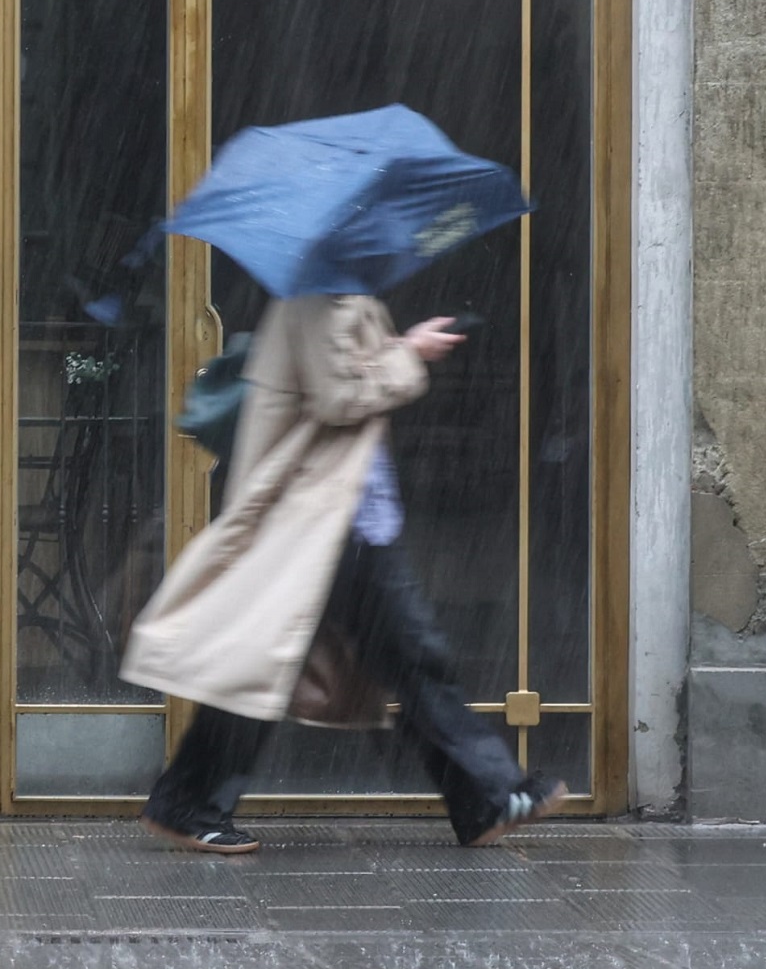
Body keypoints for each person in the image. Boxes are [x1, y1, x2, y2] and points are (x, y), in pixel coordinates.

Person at [121, 293, 566, 852]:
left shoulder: (339, 294)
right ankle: (488, 794)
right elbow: (338, 397)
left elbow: (346, 378)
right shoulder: (316, 299)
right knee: (407, 659)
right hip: (328, 525)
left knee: (283, 665)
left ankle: (186, 800)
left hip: (348, 519)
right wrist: (411, 353)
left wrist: (402, 345)